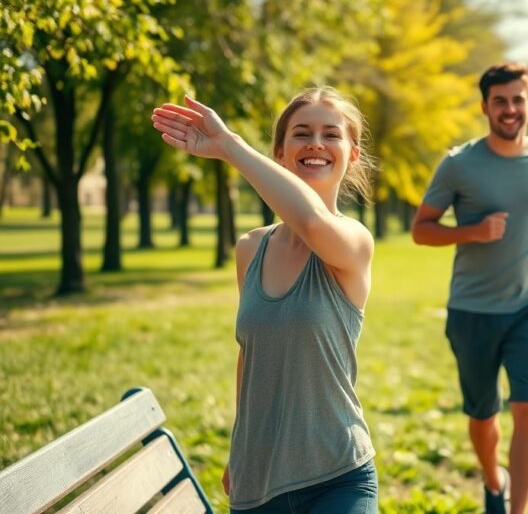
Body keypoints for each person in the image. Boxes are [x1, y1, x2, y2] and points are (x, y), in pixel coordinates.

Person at [151, 88, 379, 513]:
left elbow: (311, 221)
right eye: (301, 133)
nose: (315, 143)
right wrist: (240, 449)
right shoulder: (250, 249)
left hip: (338, 475)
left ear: (352, 154)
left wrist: (229, 147)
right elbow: (251, 355)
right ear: (279, 152)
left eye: (331, 134)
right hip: (259, 479)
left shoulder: (353, 242)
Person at [411, 62, 528, 514]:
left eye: (518, 99)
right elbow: (421, 229)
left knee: (527, 406)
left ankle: (517, 510)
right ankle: (492, 480)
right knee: (483, 417)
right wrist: (472, 232)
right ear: (485, 106)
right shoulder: (459, 164)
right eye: (499, 101)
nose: (509, 109)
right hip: (473, 310)